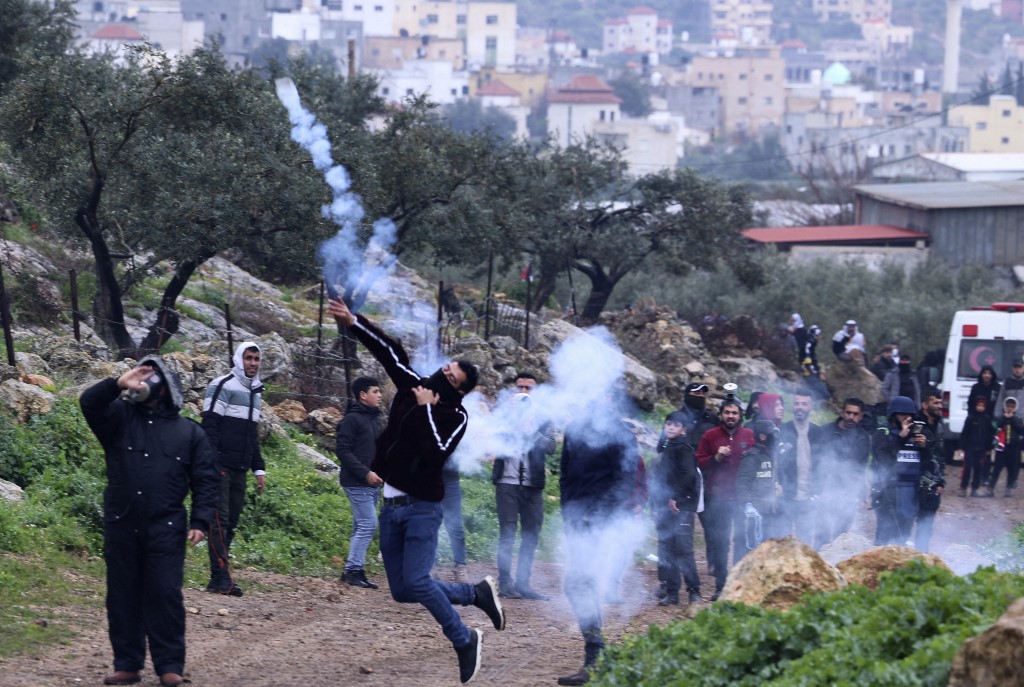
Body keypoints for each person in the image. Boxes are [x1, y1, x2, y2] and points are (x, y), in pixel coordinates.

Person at [327, 297, 503, 685]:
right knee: (403, 591)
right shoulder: (416, 385)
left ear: (461, 390)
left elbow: (436, 453)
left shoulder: (456, 415)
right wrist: (355, 322)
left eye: (452, 377)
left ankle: (464, 638)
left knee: (419, 582)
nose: (443, 375)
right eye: (445, 368)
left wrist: (424, 410)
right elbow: (391, 354)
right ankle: (475, 594)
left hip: (423, 507)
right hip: (391, 506)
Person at [80, 356, 219, 687]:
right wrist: (117, 384)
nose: (143, 380)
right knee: (122, 594)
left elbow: (206, 480)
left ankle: (169, 665)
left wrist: (200, 520)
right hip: (122, 523)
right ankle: (127, 664)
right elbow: (89, 403)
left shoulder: (189, 432)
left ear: (166, 385)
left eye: (150, 375)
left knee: (164, 594)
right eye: (140, 374)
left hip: (166, 527)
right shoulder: (118, 418)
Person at [558, 398, 638, 686]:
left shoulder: (620, 433)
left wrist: (598, 512)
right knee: (581, 582)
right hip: (576, 518)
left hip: (600, 520)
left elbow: (625, 480)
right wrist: (568, 510)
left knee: (579, 582)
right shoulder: (574, 429)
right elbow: (565, 475)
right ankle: (596, 657)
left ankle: (596, 658)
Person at [202, 341, 266, 597]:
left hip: (241, 466)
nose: (252, 363)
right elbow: (210, 425)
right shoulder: (222, 385)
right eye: (248, 358)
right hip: (220, 466)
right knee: (220, 520)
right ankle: (220, 576)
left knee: (233, 521)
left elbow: (252, 434)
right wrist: (212, 462)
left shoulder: (256, 392)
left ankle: (218, 574)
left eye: (256, 359)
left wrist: (258, 468)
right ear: (239, 359)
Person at [492, 373, 556, 600]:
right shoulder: (504, 414)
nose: (524, 392)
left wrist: (533, 431)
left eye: (529, 389)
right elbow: (491, 438)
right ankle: (505, 584)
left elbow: (550, 447)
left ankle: (523, 583)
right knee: (507, 534)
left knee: (531, 534)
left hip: (533, 485)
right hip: (507, 483)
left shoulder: (544, 418)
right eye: (520, 388)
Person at [695, 398, 754, 600]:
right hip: (717, 497)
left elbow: (757, 461)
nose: (731, 416)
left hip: (741, 498)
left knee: (741, 540)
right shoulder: (710, 436)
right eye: (727, 412)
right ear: (721, 414)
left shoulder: (749, 435)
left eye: (734, 413)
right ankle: (721, 586)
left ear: (740, 416)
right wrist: (715, 458)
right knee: (720, 542)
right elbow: (699, 462)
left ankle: (738, 585)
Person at [336, 376, 384, 589]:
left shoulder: (372, 419)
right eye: (375, 391)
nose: (380, 395)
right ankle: (352, 570)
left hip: (371, 483)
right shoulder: (352, 420)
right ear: (363, 395)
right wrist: (365, 473)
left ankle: (356, 569)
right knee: (368, 524)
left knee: (360, 526)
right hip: (357, 482)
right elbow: (343, 451)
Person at [651, 411, 703, 607]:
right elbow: (660, 478)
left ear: (684, 429)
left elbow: (688, 476)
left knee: (683, 549)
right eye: (669, 424)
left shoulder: (684, 449)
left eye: (676, 425)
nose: (671, 428)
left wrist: (677, 498)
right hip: (665, 506)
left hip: (681, 505)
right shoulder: (667, 447)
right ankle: (672, 592)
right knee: (667, 548)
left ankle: (694, 591)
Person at [871, 396, 934, 547]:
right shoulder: (883, 433)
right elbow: (882, 458)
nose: (907, 418)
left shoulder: (916, 435)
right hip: (889, 489)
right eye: (902, 414)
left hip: (910, 489)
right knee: (885, 533)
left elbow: (928, 463)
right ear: (893, 415)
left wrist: (925, 447)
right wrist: (900, 438)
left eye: (910, 415)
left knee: (904, 531)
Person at [779, 392, 827, 547]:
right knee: (783, 539)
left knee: (805, 540)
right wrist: (778, 484)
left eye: (804, 404)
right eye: (797, 403)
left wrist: (818, 491)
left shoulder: (818, 433)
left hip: (809, 496)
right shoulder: (782, 431)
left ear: (810, 407)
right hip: (787, 495)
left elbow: (823, 466)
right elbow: (776, 462)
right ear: (792, 406)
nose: (800, 407)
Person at [819, 398, 871, 542]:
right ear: (842, 412)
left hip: (848, 492)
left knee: (841, 534)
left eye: (855, 414)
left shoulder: (863, 437)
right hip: (825, 489)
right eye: (848, 413)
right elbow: (816, 461)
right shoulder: (825, 431)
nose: (851, 417)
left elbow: (861, 467)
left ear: (860, 417)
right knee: (821, 531)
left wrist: (861, 496)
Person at [735, 420, 784, 549]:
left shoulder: (770, 456)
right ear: (762, 437)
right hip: (755, 515)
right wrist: (747, 505)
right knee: (753, 551)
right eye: (773, 434)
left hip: (769, 511)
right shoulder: (751, 457)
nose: (775, 438)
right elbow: (742, 482)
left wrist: (777, 486)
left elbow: (769, 477)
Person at [913, 390, 946, 551]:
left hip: (933, 483)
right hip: (915, 480)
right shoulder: (916, 425)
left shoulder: (939, 426)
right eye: (936, 403)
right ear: (925, 405)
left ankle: (922, 554)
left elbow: (940, 455)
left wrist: (941, 480)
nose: (940, 406)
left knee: (926, 524)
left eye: (940, 403)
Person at [959, 397, 996, 498]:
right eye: (979, 405)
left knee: (978, 469)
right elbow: (964, 433)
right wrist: (962, 446)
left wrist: (989, 448)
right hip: (970, 447)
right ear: (975, 406)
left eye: (982, 406)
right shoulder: (970, 418)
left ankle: (974, 489)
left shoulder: (987, 419)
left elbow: (990, 435)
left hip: (982, 449)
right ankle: (963, 488)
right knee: (967, 468)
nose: (980, 407)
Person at [440, 456, 469, 583]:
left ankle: (460, 566)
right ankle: (429, 568)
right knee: (428, 525)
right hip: (426, 480)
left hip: (451, 481)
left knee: (455, 527)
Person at [988, 397, 1024, 497]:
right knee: (997, 469)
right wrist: (1005, 418)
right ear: (1005, 406)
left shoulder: (1018, 419)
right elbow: (996, 426)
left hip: (1014, 447)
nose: (1010, 408)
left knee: (1012, 470)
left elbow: (1021, 429)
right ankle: (990, 488)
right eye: (1008, 406)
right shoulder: (1000, 418)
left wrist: (1011, 419)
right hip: (1002, 447)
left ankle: (1008, 489)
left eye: (1012, 406)